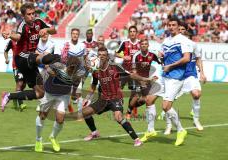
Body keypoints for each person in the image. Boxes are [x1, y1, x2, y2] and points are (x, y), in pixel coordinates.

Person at [65, 47, 156, 147]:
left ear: (107, 56)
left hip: (115, 98)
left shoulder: (115, 67)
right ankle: (95, 133)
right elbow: (93, 85)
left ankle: (136, 139)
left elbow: (131, 75)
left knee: (119, 117)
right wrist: (88, 98)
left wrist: (146, 79)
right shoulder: (96, 71)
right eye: (99, 55)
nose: (101, 57)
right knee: (85, 112)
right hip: (103, 99)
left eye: (104, 55)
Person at [0, 3, 57, 112]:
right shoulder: (23, 25)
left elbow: (54, 30)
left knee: (40, 93)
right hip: (21, 57)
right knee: (43, 56)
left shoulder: (39, 22)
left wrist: (47, 30)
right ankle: (59, 64)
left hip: (31, 61)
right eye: (29, 14)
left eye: (33, 13)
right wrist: (9, 34)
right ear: (24, 16)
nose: (32, 16)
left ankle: (8, 96)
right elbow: (17, 37)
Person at [162, 22, 207, 134]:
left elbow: (198, 58)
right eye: (180, 29)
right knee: (168, 103)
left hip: (190, 74)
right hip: (176, 75)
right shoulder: (170, 41)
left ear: (186, 30)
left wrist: (202, 73)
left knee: (196, 94)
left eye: (183, 29)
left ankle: (196, 120)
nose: (181, 31)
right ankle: (168, 126)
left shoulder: (192, 44)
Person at [35, 56, 86, 152]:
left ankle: (53, 137)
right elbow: (47, 68)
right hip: (49, 93)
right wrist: (53, 72)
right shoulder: (57, 66)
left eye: (75, 68)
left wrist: (74, 93)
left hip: (63, 95)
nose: (72, 70)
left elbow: (77, 81)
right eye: (71, 67)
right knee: (42, 116)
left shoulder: (79, 72)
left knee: (60, 119)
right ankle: (38, 140)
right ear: (67, 65)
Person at [159, 16, 192, 146]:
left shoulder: (183, 40)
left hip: (176, 76)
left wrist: (171, 66)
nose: (171, 27)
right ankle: (179, 130)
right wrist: (161, 56)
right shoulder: (166, 40)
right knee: (161, 104)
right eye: (169, 25)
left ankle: (180, 129)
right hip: (165, 75)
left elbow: (186, 58)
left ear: (178, 27)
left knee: (165, 106)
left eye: (174, 25)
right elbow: (164, 56)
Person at [115, 25, 141, 118]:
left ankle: (130, 112)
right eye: (131, 31)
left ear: (136, 33)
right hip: (124, 70)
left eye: (134, 31)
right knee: (118, 89)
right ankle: (118, 108)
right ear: (129, 33)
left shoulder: (140, 43)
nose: (132, 33)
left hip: (134, 72)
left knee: (134, 92)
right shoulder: (125, 43)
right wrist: (123, 56)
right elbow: (116, 53)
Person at [60, 28, 87, 111]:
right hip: (69, 72)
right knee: (66, 92)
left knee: (78, 92)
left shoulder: (82, 45)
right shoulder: (66, 45)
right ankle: (66, 107)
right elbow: (63, 58)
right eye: (73, 33)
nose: (75, 35)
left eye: (76, 34)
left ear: (78, 35)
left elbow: (85, 58)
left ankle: (79, 113)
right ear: (71, 34)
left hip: (79, 72)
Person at [4, 38, 27, 111]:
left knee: (23, 85)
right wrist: (6, 59)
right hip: (16, 66)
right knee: (19, 84)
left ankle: (14, 97)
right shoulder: (12, 41)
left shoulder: (26, 40)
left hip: (26, 67)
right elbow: (5, 50)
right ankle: (21, 104)